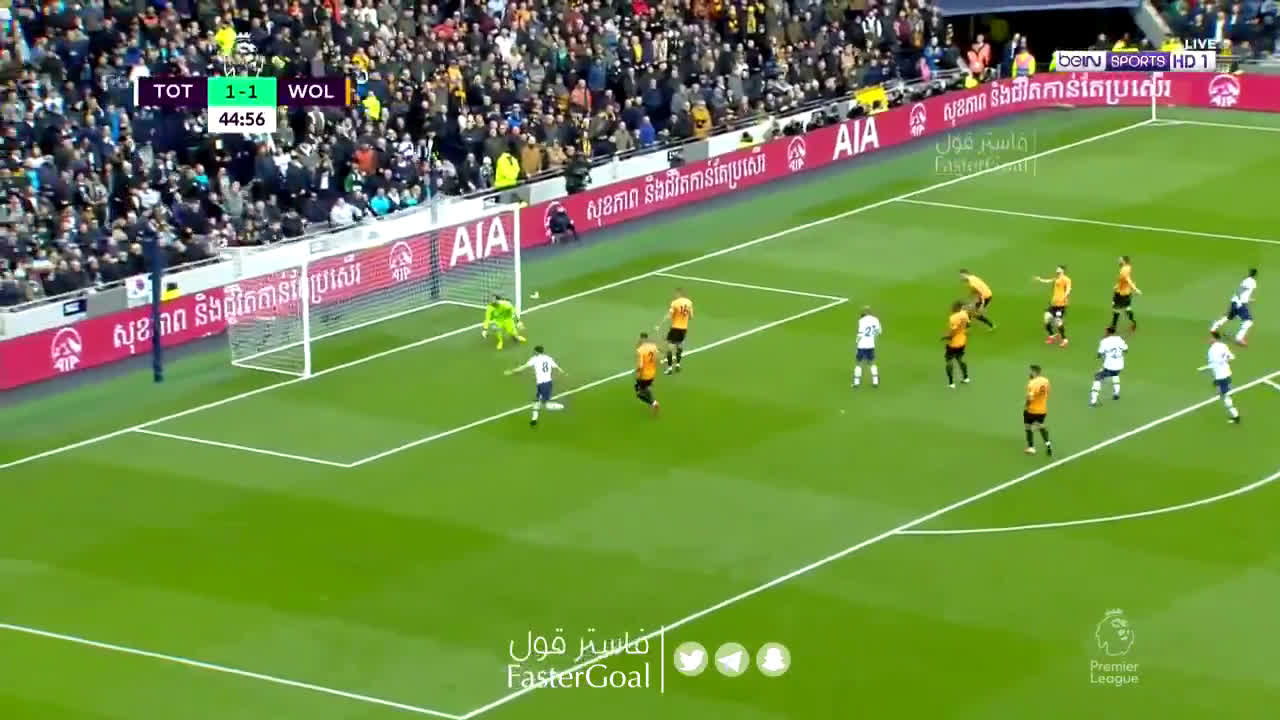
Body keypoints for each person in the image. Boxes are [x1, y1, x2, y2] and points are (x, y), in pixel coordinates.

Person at [505, 345, 566, 427]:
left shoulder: (534, 359)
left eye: (534, 351)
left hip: (544, 384)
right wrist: (562, 371)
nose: (533, 352)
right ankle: (534, 419)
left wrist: (512, 371)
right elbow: (556, 367)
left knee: (545, 404)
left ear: (536, 352)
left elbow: (523, 367)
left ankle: (561, 407)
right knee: (536, 401)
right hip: (545, 383)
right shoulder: (548, 358)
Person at [1209, 268, 1257, 346]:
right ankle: (1239, 338)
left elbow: (1242, 292)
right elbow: (1240, 291)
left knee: (1229, 316)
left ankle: (1214, 327)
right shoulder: (1251, 282)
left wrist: (1248, 299)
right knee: (1248, 322)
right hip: (1240, 303)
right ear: (1255, 275)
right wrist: (1240, 301)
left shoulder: (1246, 280)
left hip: (1235, 301)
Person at [1205, 331, 1241, 424]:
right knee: (1224, 395)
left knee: (1225, 398)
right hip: (1227, 374)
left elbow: (1213, 365)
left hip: (1220, 376)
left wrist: (1205, 369)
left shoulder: (1212, 350)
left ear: (1214, 338)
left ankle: (1236, 416)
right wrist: (1223, 360)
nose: (1208, 339)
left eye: (1210, 337)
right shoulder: (1223, 346)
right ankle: (1235, 414)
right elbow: (1232, 357)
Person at [657, 288, 693, 374]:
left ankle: (669, 369)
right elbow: (691, 317)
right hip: (684, 328)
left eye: (675, 294)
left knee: (669, 348)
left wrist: (659, 324)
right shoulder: (689, 302)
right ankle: (677, 365)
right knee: (679, 346)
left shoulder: (675, 303)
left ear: (678, 294)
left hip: (675, 328)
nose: (674, 295)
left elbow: (669, 316)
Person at [1035, 265, 1072, 346]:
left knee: (1058, 322)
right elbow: (1048, 281)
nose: (1057, 269)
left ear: (1062, 270)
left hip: (1061, 305)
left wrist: (1064, 296)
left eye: (1058, 268)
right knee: (1046, 318)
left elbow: (1068, 289)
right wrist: (1040, 279)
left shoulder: (1066, 279)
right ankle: (1052, 335)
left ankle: (1065, 340)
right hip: (1054, 304)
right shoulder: (1056, 279)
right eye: (1057, 268)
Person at [1091, 327, 1128, 406]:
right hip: (1120, 366)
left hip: (1109, 366)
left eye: (1105, 331)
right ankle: (1116, 393)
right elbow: (1126, 350)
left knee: (1097, 376)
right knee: (1115, 374)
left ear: (1108, 332)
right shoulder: (1120, 339)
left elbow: (1099, 354)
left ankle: (1093, 401)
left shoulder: (1104, 341)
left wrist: (1101, 356)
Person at [1024, 365, 1052, 456]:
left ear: (1034, 372)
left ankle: (1031, 447)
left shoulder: (1032, 383)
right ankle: (1048, 443)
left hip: (1032, 410)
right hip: (1043, 410)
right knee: (1040, 426)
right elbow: (1048, 393)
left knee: (1028, 427)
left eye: (1031, 371)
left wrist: (1026, 406)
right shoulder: (1046, 381)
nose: (1029, 373)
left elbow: (1030, 398)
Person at [1109, 255, 1141, 333]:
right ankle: (1133, 322)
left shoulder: (1124, 270)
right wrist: (1117, 285)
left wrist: (1135, 289)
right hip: (1125, 292)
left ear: (1124, 261)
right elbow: (1123, 280)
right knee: (1125, 308)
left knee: (1117, 309)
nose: (1118, 261)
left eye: (1120, 260)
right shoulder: (1127, 267)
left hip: (1121, 293)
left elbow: (1127, 279)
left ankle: (1113, 326)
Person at [942, 301, 971, 388]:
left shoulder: (953, 317)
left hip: (954, 343)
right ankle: (966, 377)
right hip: (962, 341)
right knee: (960, 359)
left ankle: (951, 383)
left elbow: (953, 330)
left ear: (957, 308)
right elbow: (968, 325)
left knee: (949, 361)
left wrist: (947, 336)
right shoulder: (965, 314)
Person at [853, 306, 882, 388]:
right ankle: (875, 381)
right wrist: (872, 336)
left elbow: (860, 334)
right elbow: (879, 331)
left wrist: (856, 343)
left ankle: (856, 382)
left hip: (861, 345)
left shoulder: (861, 321)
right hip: (871, 345)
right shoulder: (876, 320)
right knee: (871, 362)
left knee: (858, 363)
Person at [635, 332, 661, 414]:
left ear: (641, 338)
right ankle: (649, 392)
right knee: (645, 387)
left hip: (644, 375)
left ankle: (654, 403)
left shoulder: (640, 350)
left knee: (639, 394)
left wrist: (638, 373)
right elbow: (658, 359)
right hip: (652, 374)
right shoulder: (653, 346)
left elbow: (640, 366)